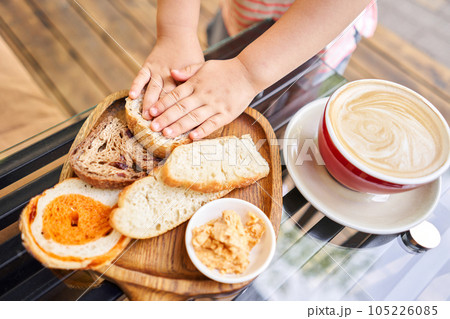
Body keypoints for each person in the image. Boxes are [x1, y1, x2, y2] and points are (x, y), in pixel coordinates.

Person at [128, 0, 377, 141]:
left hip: (312, 43)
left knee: (291, 117)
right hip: (240, 16)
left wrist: (247, 74)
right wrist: (176, 31)